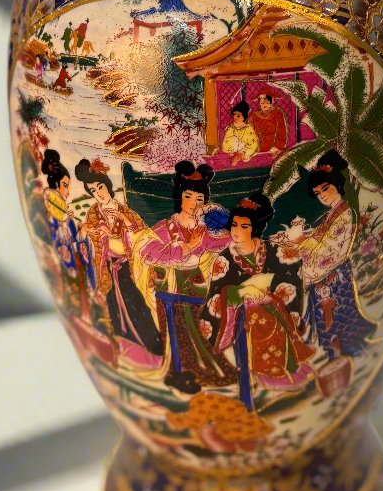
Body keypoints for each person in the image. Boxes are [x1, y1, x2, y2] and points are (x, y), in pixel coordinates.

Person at [136, 162, 238, 393]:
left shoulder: (205, 230)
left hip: (192, 283)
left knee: (196, 329)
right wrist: (187, 247)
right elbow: (147, 253)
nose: (194, 203)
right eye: (188, 196)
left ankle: (208, 371)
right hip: (166, 285)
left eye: (200, 199)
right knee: (172, 331)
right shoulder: (165, 227)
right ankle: (179, 373)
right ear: (180, 197)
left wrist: (228, 228)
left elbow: (224, 241)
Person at [202, 191, 314, 396]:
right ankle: (265, 372)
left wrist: (269, 294)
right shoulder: (224, 260)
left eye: (244, 226)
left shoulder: (274, 250)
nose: (237, 231)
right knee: (256, 314)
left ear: (255, 228)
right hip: (242, 314)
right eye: (234, 225)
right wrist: (242, 293)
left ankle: (287, 366)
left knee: (270, 310)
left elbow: (290, 273)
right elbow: (217, 295)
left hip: (274, 305)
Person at [276, 149, 375, 358]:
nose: (323, 196)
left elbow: (328, 248)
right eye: (318, 193)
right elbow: (319, 235)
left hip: (334, 275)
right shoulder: (333, 213)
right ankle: (336, 354)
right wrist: (298, 241)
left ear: (337, 185)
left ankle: (347, 352)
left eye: (325, 189)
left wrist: (300, 244)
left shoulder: (344, 213)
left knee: (338, 318)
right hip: (326, 275)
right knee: (328, 320)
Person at [75, 159, 163, 368]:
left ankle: (151, 352)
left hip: (126, 268)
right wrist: (90, 231)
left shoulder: (124, 211)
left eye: (100, 187)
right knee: (114, 307)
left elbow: (141, 235)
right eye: (93, 191)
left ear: (108, 186)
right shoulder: (93, 213)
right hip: (107, 267)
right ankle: (123, 347)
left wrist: (123, 223)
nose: (99, 193)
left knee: (136, 304)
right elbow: (86, 240)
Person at [40, 149, 89, 317]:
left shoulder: (63, 211)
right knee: (74, 289)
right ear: (56, 184)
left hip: (73, 255)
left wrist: (81, 230)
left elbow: (74, 237)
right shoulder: (53, 209)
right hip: (66, 256)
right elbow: (57, 236)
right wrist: (64, 220)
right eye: (65, 186)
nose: (68, 191)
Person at [250, 89, 288, 155]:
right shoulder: (254, 115)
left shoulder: (277, 113)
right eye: (261, 101)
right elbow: (248, 130)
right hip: (255, 149)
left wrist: (278, 147)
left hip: (272, 149)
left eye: (266, 100)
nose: (264, 103)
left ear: (272, 101)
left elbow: (281, 131)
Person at [220, 100, 259, 165]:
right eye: (234, 114)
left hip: (244, 153)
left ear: (244, 117)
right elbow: (226, 142)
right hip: (232, 152)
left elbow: (253, 144)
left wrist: (242, 154)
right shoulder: (230, 128)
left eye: (238, 116)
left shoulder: (248, 128)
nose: (235, 117)